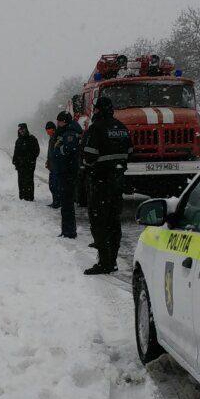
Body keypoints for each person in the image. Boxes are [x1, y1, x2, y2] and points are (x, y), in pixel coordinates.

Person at [82, 94, 131, 274]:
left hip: (100, 182)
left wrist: (92, 168)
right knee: (113, 222)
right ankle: (113, 260)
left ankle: (104, 262)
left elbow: (89, 156)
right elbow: (130, 151)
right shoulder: (122, 127)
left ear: (98, 109)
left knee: (99, 222)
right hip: (117, 181)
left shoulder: (96, 128)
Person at [54, 110, 83, 238]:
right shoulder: (66, 131)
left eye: (59, 121)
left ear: (64, 121)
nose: (57, 123)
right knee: (66, 203)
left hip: (68, 172)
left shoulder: (70, 133)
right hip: (65, 171)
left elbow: (69, 150)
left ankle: (69, 231)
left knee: (67, 203)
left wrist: (58, 148)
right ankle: (66, 230)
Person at [12, 123, 40, 200]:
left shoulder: (32, 139)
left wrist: (30, 159)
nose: (21, 131)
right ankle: (22, 197)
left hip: (29, 165)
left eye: (23, 129)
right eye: (20, 129)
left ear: (26, 129)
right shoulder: (18, 140)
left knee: (29, 181)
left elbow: (36, 151)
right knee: (21, 181)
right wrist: (15, 161)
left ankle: (29, 197)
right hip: (20, 165)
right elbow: (16, 152)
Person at [45, 121, 61, 208]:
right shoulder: (51, 138)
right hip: (52, 166)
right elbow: (50, 152)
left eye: (48, 129)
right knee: (52, 185)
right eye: (46, 129)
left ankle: (57, 202)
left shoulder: (57, 138)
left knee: (55, 185)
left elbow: (57, 152)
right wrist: (48, 161)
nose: (47, 131)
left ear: (53, 129)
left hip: (56, 166)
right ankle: (55, 201)